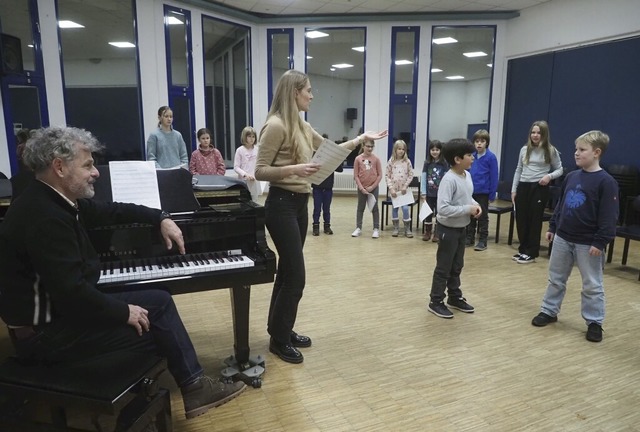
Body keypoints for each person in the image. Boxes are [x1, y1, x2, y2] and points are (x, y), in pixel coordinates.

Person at [0, 126, 246, 420]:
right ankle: (148, 407)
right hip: (46, 337)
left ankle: (187, 387)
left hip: (57, 316)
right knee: (157, 327)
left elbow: (112, 210)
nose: (96, 173)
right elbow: (73, 294)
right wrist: (123, 311)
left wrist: (160, 216)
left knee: (159, 301)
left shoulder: (54, 201)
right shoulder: (45, 218)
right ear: (59, 167)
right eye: (88, 165)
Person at [255, 69, 387, 364]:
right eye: (309, 91)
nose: (312, 96)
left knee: (289, 272)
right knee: (296, 276)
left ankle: (281, 330)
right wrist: (294, 170)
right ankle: (279, 340)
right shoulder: (275, 126)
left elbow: (330, 151)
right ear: (294, 93)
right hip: (280, 205)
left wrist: (358, 140)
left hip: (301, 203)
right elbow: (260, 171)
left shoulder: (302, 125)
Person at [531, 131, 618, 342]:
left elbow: (609, 216)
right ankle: (549, 310)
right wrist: (553, 226)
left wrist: (600, 241)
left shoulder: (606, 182)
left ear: (597, 152)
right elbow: (560, 205)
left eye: (582, 150)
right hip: (563, 237)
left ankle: (594, 321)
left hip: (588, 243)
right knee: (556, 278)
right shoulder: (571, 176)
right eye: (576, 149)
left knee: (592, 284)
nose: (576, 153)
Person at [427, 138, 481, 319]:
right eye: (469, 155)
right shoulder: (448, 180)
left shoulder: (467, 175)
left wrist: (475, 205)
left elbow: (467, 198)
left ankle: (454, 297)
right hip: (447, 230)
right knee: (444, 267)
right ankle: (435, 301)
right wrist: (468, 209)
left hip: (461, 228)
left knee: (457, 265)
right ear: (457, 159)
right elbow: (442, 209)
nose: (472, 158)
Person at [511, 120, 563, 264]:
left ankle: (532, 252)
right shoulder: (524, 149)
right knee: (521, 219)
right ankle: (523, 249)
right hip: (523, 186)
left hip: (539, 188)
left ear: (544, 134)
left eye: (538, 133)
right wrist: (514, 189)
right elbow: (518, 170)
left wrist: (548, 176)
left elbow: (560, 169)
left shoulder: (551, 150)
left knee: (534, 220)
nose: (535, 135)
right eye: (533, 132)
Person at [466, 129, 498, 251]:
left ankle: (483, 240)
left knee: (483, 216)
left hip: (483, 192)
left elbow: (494, 176)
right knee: (471, 215)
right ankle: (469, 237)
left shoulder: (491, 157)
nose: (479, 144)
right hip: (471, 191)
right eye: (477, 141)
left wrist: (492, 194)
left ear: (487, 143)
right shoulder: (471, 156)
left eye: (482, 141)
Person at [311, 134, 342, 236]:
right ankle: (315, 226)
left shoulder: (331, 158)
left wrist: (336, 159)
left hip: (328, 187)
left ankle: (327, 226)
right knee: (317, 208)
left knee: (326, 209)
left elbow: (340, 169)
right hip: (317, 187)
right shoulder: (315, 155)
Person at [352, 139, 383, 239]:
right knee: (360, 208)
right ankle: (358, 228)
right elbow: (356, 175)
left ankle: (376, 228)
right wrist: (361, 188)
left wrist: (372, 187)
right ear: (363, 146)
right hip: (362, 188)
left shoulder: (376, 159)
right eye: (368, 146)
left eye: (371, 147)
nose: (369, 148)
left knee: (374, 208)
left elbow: (379, 175)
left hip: (373, 188)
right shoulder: (358, 159)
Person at [385, 139, 415, 238]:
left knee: (405, 209)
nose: (401, 151)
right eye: (399, 149)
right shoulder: (391, 161)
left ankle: (407, 228)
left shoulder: (407, 161)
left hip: (403, 192)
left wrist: (405, 185)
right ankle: (396, 228)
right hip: (394, 192)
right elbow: (387, 176)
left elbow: (411, 175)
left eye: (403, 149)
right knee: (395, 209)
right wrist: (391, 189)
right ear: (395, 150)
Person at [421, 140, 448, 242]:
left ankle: (437, 232)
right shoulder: (427, 163)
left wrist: (445, 192)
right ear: (429, 151)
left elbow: (446, 179)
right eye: (433, 149)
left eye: (437, 149)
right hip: (429, 193)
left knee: (439, 213)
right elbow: (423, 178)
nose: (435, 152)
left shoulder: (444, 163)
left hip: (440, 194)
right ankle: (428, 231)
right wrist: (423, 192)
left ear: (440, 151)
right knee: (428, 213)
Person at [234, 126, 260, 201]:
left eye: (253, 136)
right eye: (249, 136)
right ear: (245, 137)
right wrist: (245, 174)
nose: (252, 139)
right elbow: (236, 167)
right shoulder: (240, 150)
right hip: (244, 181)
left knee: (254, 200)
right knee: (244, 200)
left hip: (255, 180)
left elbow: (259, 164)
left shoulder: (257, 150)